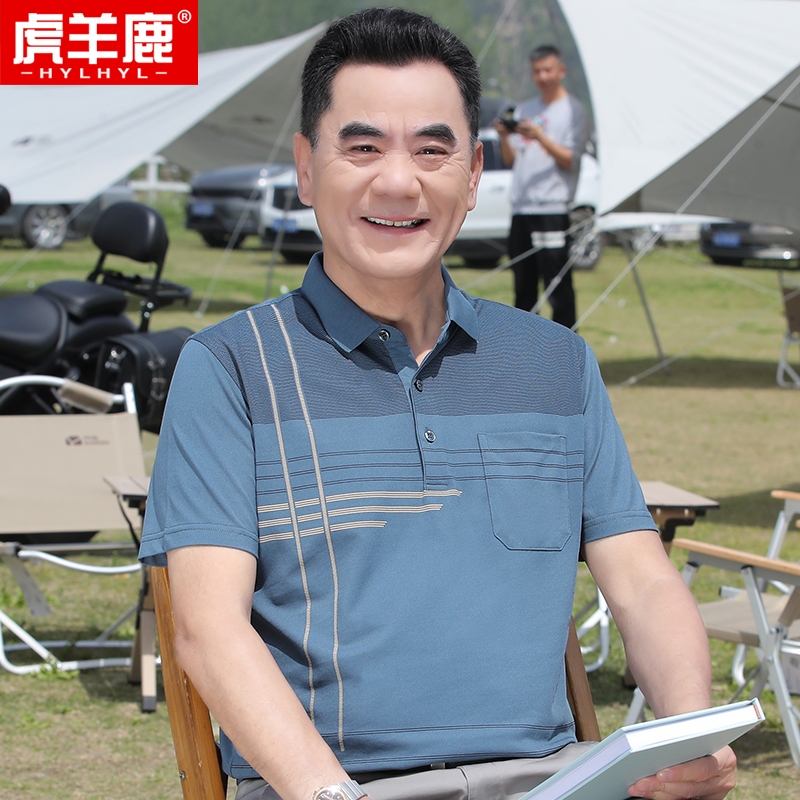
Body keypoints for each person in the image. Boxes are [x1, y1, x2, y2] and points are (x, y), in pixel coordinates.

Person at [140, 9, 736, 800]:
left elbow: (643, 583)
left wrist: (689, 732)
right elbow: (207, 631)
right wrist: (330, 796)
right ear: (307, 169)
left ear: (474, 171)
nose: (399, 181)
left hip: (551, 779)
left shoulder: (555, 363)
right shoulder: (231, 368)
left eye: (432, 149)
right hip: (334, 786)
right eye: (362, 148)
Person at [495, 44, 589, 328]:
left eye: (548, 70)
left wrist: (539, 136)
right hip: (521, 207)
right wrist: (504, 136)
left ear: (561, 70)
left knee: (556, 283)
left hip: (552, 207)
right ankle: (525, 344)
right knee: (523, 284)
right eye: (537, 71)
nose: (543, 77)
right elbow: (512, 159)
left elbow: (570, 159)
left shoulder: (573, 110)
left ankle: (566, 342)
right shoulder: (526, 108)